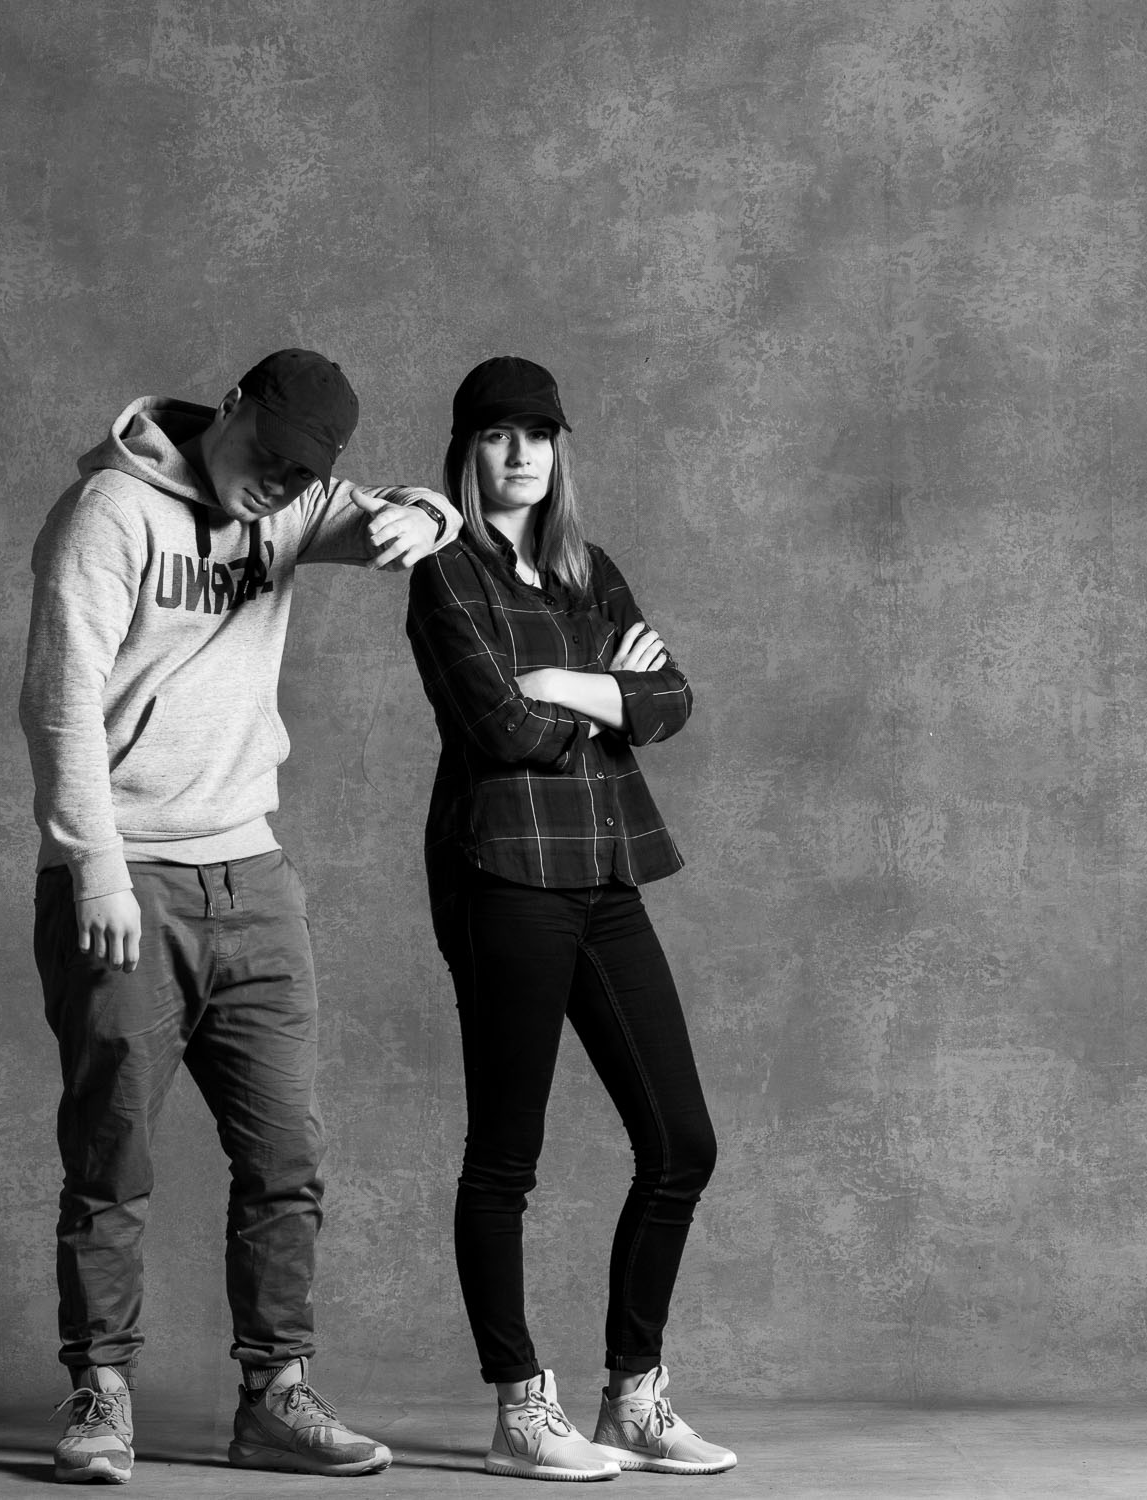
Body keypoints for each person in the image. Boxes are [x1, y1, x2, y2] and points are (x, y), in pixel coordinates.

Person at [19, 348, 458, 1485]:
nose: (276, 484)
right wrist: (96, 869)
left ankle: (275, 1397)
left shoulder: (292, 505)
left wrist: (429, 515)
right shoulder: (109, 513)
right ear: (231, 408)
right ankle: (100, 1393)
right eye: (267, 455)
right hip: (127, 876)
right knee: (112, 1155)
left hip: (252, 878)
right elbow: (59, 702)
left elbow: (403, 513)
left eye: (301, 472)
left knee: (286, 1157)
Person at [405, 356, 737, 1482]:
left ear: (559, 449)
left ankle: (633, 1397)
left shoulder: (589, 570)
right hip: (504, 876)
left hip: (605, 870)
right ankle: (520, 1409)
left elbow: (671, 699)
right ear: (468, 448)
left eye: (540, 434)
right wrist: (605, 693)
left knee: (681, 1144)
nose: (521, 454)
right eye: (499, 435)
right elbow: (502, 730)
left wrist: (562, 685)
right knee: (506, 1157)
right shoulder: (443, 571)